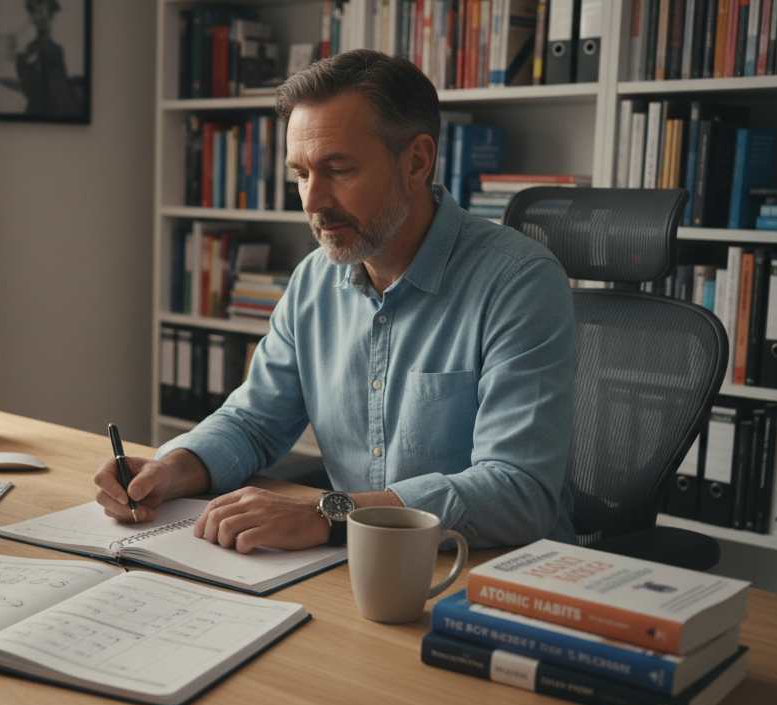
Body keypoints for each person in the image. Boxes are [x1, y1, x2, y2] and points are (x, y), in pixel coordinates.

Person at [93, 50, 576, 554]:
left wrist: (329, 514)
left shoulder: (520, 283)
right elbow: (254, 422)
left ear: (417, 161)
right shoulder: (314, 279)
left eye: (338, 169)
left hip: (492, 570)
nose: (312, 201)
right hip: (354, 562)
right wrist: (172, 468)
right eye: (300, 174)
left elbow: (518, 491)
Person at [15, 0, 81, 118]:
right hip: (42, 110)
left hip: (60, 109)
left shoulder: (56, 49)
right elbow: (28, 87)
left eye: (45, 11)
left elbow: (61, 88)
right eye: (36, 12)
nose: (41, 16)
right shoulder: (29, 50)